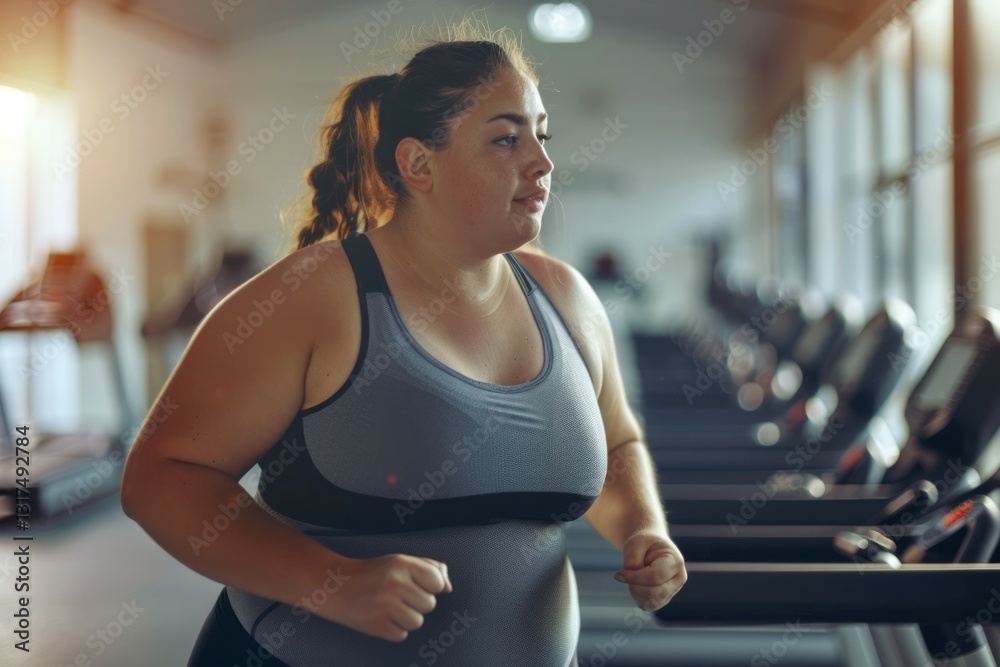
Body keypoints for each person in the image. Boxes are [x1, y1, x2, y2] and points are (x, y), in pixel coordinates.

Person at [120, 19, 686, 667]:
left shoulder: (567, 298)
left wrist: (645, 530)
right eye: (506, 138)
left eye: (542, 134)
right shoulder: (313, 296)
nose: (543, 162)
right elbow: (159, 478)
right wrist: (329, 581)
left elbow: (617, 442)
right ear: (418, 163)